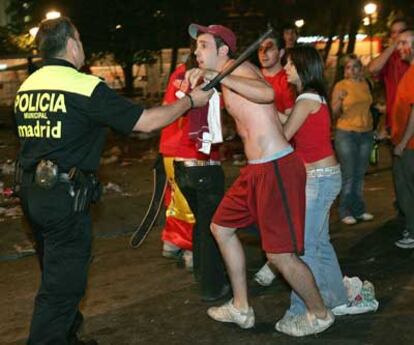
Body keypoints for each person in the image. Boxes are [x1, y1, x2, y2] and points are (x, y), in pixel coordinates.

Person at [13, 17, 212, 345]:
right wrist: (190, 101)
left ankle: (68, 338)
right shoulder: (83, 86)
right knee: (61, 289)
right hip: (64, 200)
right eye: (79, 40)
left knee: (56, 271)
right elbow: (145, 122)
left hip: (33, 197)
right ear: (72, 45)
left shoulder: (28, 86)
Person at [186, 23, 335, 337]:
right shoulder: (225, 75)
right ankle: (241, 306)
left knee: (280, 255)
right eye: (196, 46)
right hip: (255, 170)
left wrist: (220, 78)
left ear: (223, 50)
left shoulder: (239, 69)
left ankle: (320, 314)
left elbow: (267, 93)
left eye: (202, 45)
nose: (196, 52)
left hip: (276, 167)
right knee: (220, 227)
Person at [253, 32, 296, 287]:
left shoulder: (286, 80)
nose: (263, 53)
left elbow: (292, 121)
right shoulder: (253, 77)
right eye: (260, 49)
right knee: (263, 212)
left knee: (279, 213)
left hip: (283, 156)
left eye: (269, 48)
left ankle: (275, 263)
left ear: (281, 52)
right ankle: (275, 259)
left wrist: (264, 112)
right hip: (257, 157)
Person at [158, 56, 197, 270]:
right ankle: (190, 248)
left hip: (170, 145)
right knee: (190, 202)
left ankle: (171, 241)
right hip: (187, 147)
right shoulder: (199, 74)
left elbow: (166, 105)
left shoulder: (179, 72)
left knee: (175, 198)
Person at [331, 54, 374, 225]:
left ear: (360, 68)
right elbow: (333, 113)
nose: (352, 70)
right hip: (346, 133)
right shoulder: (340, 86)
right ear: (345, 70)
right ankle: (344, 210)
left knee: (359, 174)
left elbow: (369, 106)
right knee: (349, 174)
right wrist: (339, 100)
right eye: (348, 67)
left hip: (366, 133)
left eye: (355, 66)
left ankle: (359, 209)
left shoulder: (365, 84)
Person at [391, 29, 414, 249]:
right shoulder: (409, 71)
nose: (399, 48)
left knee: (407, 189)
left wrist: (403, 142)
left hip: (410, 146)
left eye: (403, 43)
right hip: (407, 143)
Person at [368, 18, 409, 134]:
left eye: (401, 31)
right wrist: (393, 46)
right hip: (395, 119)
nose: (397, 35)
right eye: (394, 32)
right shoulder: (390, 57)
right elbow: (372, 68)